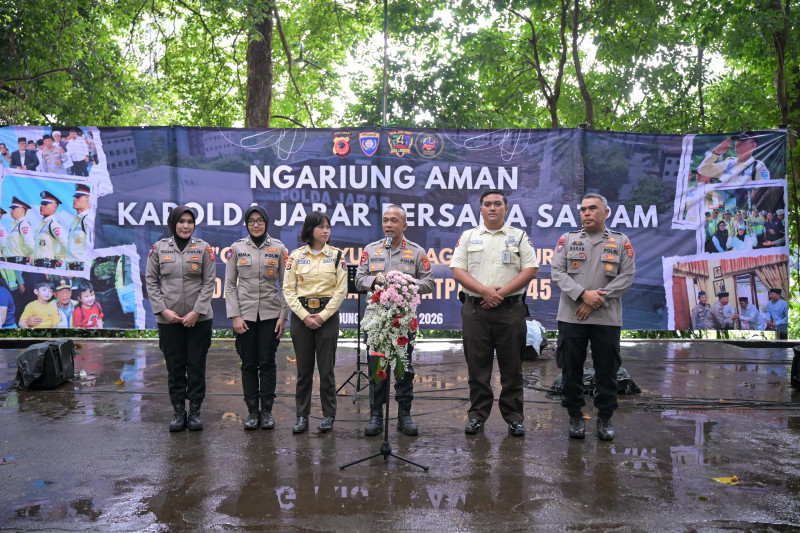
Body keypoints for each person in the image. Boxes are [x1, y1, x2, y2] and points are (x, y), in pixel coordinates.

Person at [450, 189, 539, 437]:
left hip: (510, 311)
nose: (492, 208)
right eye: (487, 204)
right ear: (480, 209)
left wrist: (498, 294)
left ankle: (514, 417)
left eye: (497, 204)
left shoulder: (519, 236)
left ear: (505, 209)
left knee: (512, 368)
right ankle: (477, 415)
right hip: (475, 311)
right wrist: (485, 292)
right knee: (478, 368)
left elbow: (530, 269)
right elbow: (458, 271)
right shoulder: (468, 237)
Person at [551, 193, 635, 441]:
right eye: (583, 209)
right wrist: (581, 295)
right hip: (571, 316)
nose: (586, 213)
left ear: (606, 213)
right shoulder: (568, 239)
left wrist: (594, 300)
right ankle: (575, 416)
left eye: (592, 209)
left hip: (606, 318)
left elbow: (626, 276)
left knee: (607, 371)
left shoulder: (620, 241)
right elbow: (557, 272)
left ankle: (605, 417)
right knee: (571, 369)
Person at [356, 205, 435, 436]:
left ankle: (404, 415)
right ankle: (376, 415)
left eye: (394, 220)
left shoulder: (417, 252)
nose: (388, 225)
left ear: (404, 225)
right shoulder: (371, 250)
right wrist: (379, 282)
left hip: (403, 321)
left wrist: (404, 284)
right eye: (385, 220)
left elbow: (428, 283)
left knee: (404, 370)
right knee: (377, 369)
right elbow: (359, 279)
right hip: (376, 320)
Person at [145, 206, 216, 432]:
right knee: (175, 367)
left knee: (196, 366)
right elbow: (151, 282)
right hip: (170, 321)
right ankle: (178, 412)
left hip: (199, 320)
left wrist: (197, 312)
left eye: (190, 221)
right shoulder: (158, 248)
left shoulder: (203, 248)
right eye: (181, 221)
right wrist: (164, 311)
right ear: (173, 223)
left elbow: (209, 282)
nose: (186, 225)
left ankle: (194, 412)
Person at [282, 211, 347, 434]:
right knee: (303, 370)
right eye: (321, 227)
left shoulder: (338, 255)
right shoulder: (296, 256)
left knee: (327, 370)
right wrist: (304, 315)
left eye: (328, 226)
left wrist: (322, 316)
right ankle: (302, 416)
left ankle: (329, 416)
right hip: (302, 317)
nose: (326, 230)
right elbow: (288, 290)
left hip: (327, 316)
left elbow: (340, 290)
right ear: (310, 230)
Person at [225, 206, 289, 431]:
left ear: (266, 222)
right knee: (249, 364)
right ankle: (252, 412)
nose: (255, 224)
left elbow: (286, 286)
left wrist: (283, 316)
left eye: (260, 220)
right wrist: (235, 315)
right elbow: (230, 286)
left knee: (268, 363)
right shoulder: (237, 248)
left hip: (271, 316)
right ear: (246, 224)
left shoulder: (279, 249)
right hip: (245, 317)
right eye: (251, 221)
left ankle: (267, 412)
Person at [697, 131, 770, 185]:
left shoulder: (758, 166)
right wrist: (716, 153)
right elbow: (702, 171)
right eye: (737, 140)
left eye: (743, 140)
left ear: (753, 145)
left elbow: (764, 190)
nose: (738, 142)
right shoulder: (729, 163)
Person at [32, 190, 67, 268]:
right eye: (41, 204)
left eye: (45, 204)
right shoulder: (42, 225)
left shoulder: (53, 224)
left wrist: (58, 258)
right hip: (36, 266)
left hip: (46, 266)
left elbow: (65, 245)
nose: (42, 206)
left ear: (54, 207)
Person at [66, 184, 91, 270]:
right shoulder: (75, 221)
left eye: (78, 197)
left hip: (84, 268)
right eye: (75, 197)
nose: (74, 199)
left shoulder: (89, 218)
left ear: (88, 199)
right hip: (72, 269)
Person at [4, 197, 35, 265]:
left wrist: (31, 254)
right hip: (10, 262)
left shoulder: (23, 224)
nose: (11, 211)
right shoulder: (15, 225)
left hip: (17, 262)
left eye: (13, 209)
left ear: (21, 210)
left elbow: (29, 242)